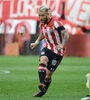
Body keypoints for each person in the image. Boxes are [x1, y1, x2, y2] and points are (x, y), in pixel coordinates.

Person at [30, 6, 69, 97]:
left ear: (48, 14)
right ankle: (41, 84)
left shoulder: (56, 23)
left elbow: (66, 35)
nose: (41, 17)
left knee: (48, 76)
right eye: (39, 15)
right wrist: (36, 43)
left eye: (42, 15)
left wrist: (62, 45)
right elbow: (43, 33)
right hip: (47, 48)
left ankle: (43, 91)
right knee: (42, 60)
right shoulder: (43, 23)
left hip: (57, 52)